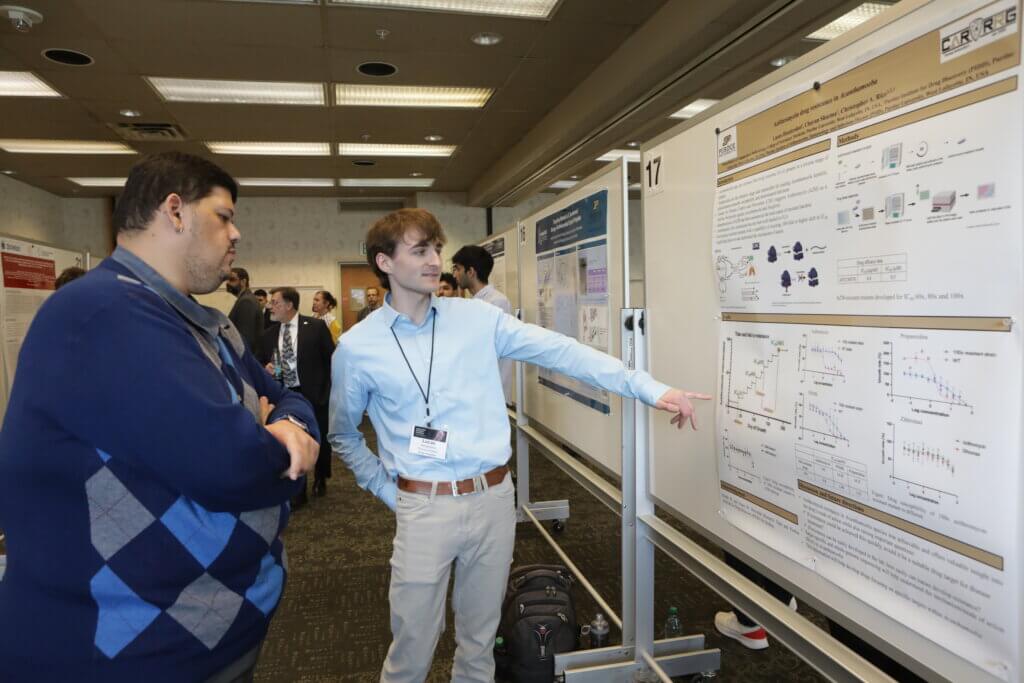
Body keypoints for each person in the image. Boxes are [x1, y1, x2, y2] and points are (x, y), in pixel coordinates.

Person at [329, 208, 710, 683]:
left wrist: (649, 388)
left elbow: (562, 351)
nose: (434, 260)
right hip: (423, 508)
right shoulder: (358, 348)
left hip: (493, 500)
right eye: (420, 250)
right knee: (412, 649)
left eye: (437, 249)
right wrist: (391, 493)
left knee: (480, 645)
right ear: (384, 262)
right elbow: (342, 434)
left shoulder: (477, 319)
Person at [0, 151, 320, 683]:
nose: (236, 234)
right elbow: (234, 465)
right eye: (224, 216)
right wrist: (275, 441)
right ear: (174, 211)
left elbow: (289, 399)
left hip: (207, 631)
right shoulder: (104, 312)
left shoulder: (206, 324)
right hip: (130, 653)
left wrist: (288, 425)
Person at [261, 287, 336, 502]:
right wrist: (265, 367)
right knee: (290, 441)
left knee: (319, 437)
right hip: (284, 395)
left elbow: (332, 359)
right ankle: (298, 489)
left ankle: (321, 476)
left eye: (275, 302)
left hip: (313, 393)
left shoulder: (315, 327)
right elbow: (259, 360)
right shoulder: (268, 334)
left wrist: (327, 391)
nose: (270, 306)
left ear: (289, 305)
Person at [452, 245, 514, 403]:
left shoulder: (496, 302)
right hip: (477, 393)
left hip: (491, 395)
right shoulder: (474, 302)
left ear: (471, 272)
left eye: (457, 269)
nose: (454, 274)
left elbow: (483, 350)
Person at [226, 266, 264, 355]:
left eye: (232, 280)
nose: (228, 283)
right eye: (227, 280)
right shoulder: (245, 299)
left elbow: (246, 337)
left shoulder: (246, 301)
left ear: (243, 282)